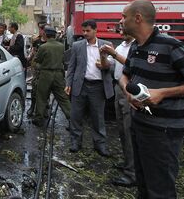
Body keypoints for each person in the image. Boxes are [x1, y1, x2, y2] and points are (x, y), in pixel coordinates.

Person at [117, 0, 184, 198]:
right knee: (144, 185)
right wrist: (127, 92)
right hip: (139, 126)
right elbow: (124, 75)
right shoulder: (135, 47)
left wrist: (163, 93)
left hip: (163, 132)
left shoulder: (171, 46)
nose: (121, 21)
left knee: (160, 189)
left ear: (137, 18)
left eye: (123, 16)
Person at [65, 19, 114, 157]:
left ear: (95, 30)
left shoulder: (106, 45)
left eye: (88, 31)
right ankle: (75, 142)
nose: (85, 33)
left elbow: (114, 65)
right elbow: (71, 67)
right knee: (76, 116)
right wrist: (68, 84)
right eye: (84, 31)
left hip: (98, 87)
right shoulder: (77, 46)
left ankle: (100, 145)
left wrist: (105, 65)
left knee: (98, 117)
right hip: (80, 85)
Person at [101, 30, 136, 187]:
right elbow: (108, 66)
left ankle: (133, 173)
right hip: (118, 87)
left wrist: (113, 54)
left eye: (123, 25)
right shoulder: (122, 46)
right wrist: (104, 56)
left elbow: (132, 66)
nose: (121, 29)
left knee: (130, 130)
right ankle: (128, 162)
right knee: (122, 128)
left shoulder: (137, 47)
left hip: (129, 90)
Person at [31, 26, 71, 126]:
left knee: (42, 97)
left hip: (45, 74)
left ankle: (39, 118)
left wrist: (38, 65)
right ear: (54, 35)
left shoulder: (43, 47)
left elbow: (37, 61)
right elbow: (64, 60)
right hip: (58, 74)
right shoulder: (61, 46)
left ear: (45, 34)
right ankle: (72, 118)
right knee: (63, 98)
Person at [27, 23, 48, 118]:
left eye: (42, 29)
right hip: (36, 68)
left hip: (47, 68)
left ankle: (45, 108)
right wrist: (29, 58)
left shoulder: (51, 42)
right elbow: (33, 52)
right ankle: (32, 106)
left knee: (46, 89)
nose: (41, 31)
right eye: (40, 29)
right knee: (34, 88)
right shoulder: (36, 41)